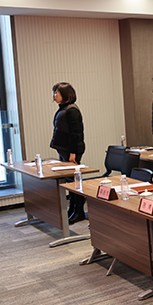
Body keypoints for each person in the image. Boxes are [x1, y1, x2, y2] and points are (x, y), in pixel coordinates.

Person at [50, 82, 86, 224]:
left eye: (56, 93)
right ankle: (72, 209)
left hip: (71, 151)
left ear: (65, 94)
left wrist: (73, 153)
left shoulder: (72, 110)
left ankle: (78, 211)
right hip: (64, 150)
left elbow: (76, 134)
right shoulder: (64, 109)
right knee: (70, 182)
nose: (54, 96)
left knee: (74, 182)